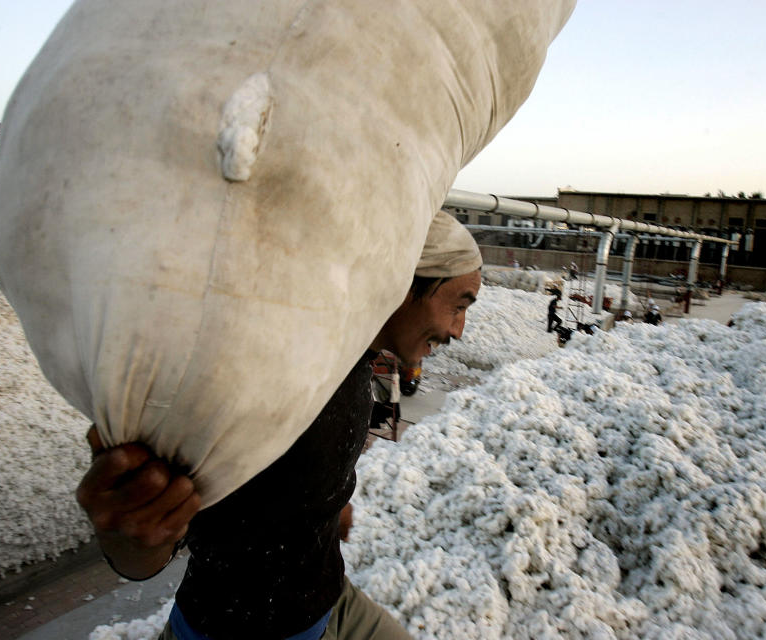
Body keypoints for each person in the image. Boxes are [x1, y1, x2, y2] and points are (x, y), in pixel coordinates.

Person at [75, 211, 483, 640]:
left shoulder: (354, 356)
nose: (458, 330)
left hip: (332, 602)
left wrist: (327, 501)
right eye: (458, 306)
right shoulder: (265, 376)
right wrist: (128, 531)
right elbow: (143, 551)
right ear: (402, 282)